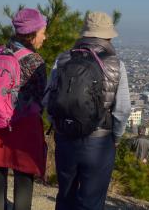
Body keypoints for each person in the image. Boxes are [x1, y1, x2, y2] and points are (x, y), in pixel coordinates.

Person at [46, 11, 131, 210]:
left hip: (65, 137)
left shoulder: (63, 59)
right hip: (99, 143)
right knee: (91, 201)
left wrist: (58, 125)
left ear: (84, 34)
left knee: (65, 196)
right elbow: (122, 109)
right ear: (108, 36)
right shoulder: (116, 65)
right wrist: (116, 138)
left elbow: (48, 99)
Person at [0, 8, 48, 210]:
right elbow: (41, 97)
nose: (45, 36)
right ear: (32, 33)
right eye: (43, 32)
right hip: (24, 125)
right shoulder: (35, 61)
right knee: (24, 178)